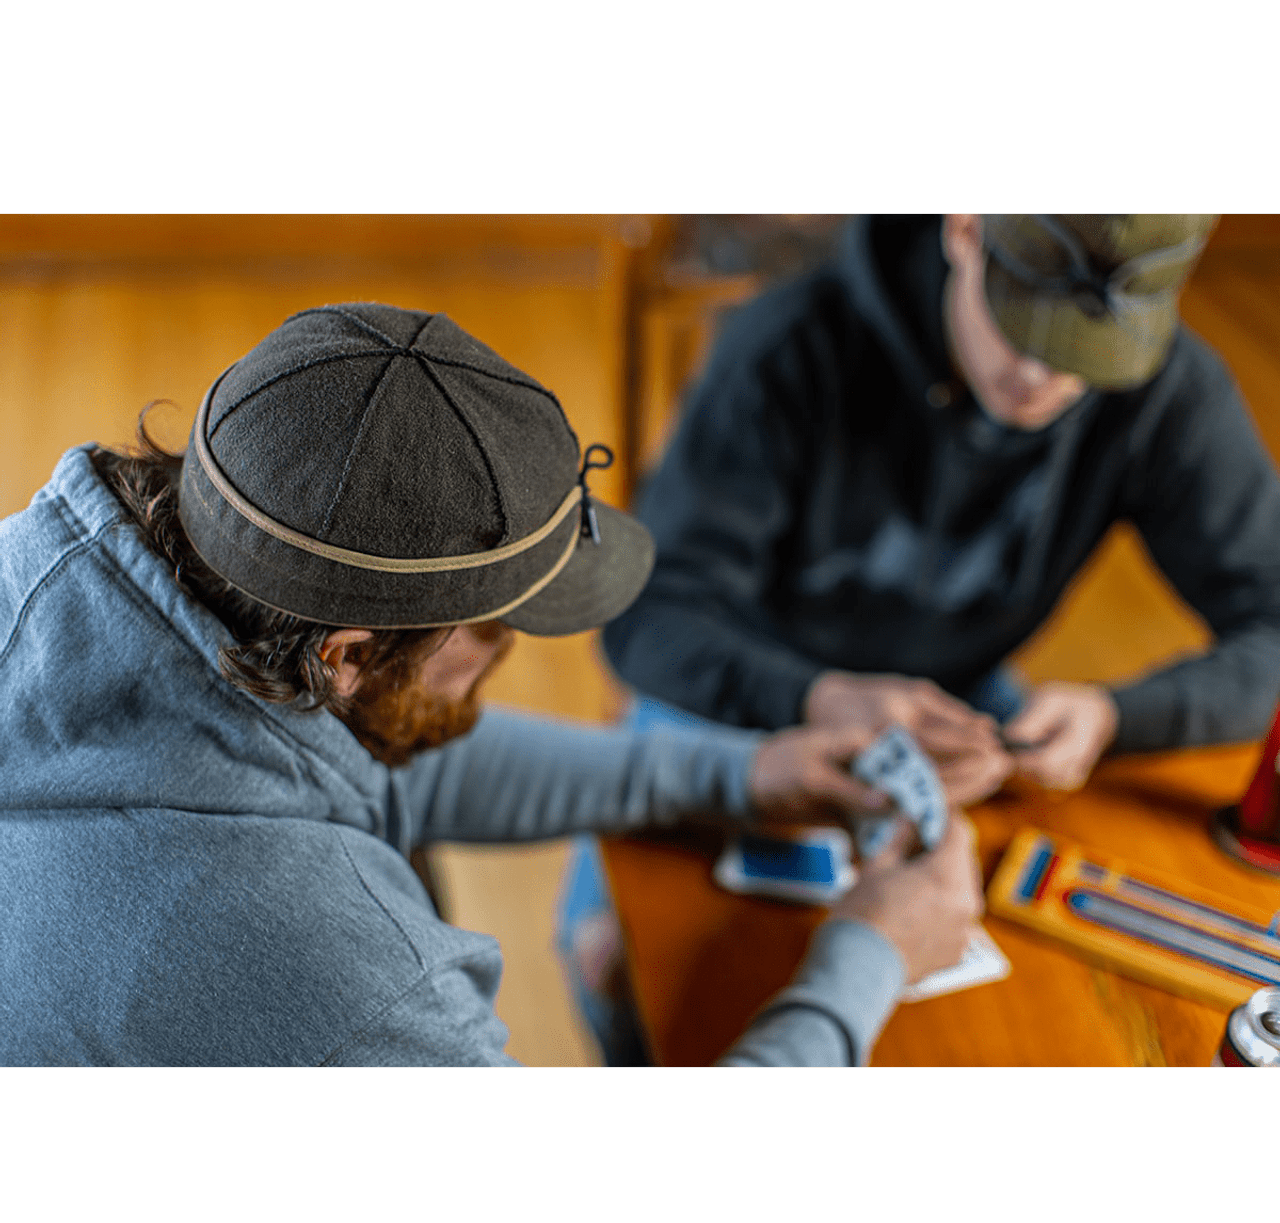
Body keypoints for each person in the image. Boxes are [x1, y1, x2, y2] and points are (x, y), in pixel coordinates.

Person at [0, 302, 981, 1068]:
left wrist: (737, 770)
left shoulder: (73, 587)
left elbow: (373, 755)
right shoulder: (337, 970)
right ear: (344, 654)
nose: (506, 654)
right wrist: (867, 957)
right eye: (493, 626)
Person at [603, 213, 1280, 794]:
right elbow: (646, 617)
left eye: (1088, 358)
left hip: (957, 701)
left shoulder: (1171, 395)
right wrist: (818, 698)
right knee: (610, 944)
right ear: (964, 229)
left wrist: (1116, 718)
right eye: (1023, 328)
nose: (1041, 378)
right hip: (743, 682)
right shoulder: (788, 347)